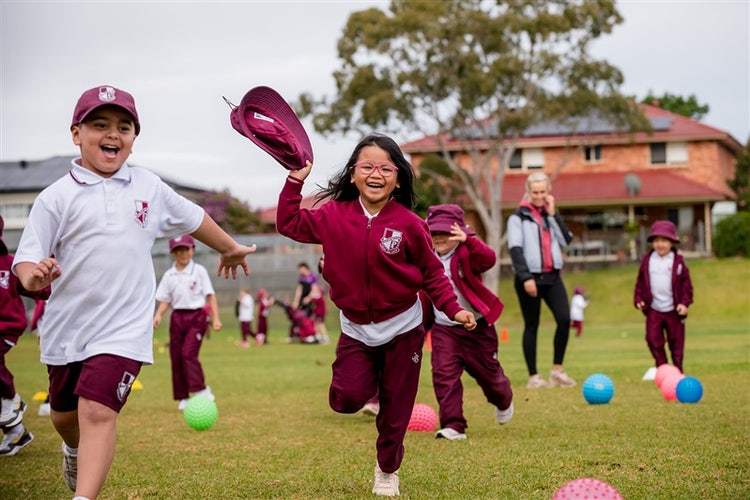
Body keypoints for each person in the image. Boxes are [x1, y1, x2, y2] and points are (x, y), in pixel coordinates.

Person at [12, 85, 256, 498]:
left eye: (124, 127)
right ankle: (73, 449)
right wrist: (33, 277)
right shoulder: (55, 197)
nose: (114, 134)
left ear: (133, 140)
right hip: (67, 329)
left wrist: (230, 247)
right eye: (101, 125)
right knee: (64, 416)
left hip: (124, 330)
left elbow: (194, 218)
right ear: (76, 133)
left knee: (97, 410)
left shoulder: (148, 187)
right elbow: (27, 260)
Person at [275, 133, 476, 497]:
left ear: (398, 178)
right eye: (367, 166)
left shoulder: (411, 224)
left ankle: (386, 470)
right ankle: (366, 382)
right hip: (355, 330)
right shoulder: (332, 215)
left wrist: (455, 308)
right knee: (347, 399)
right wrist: (294, 181)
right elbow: (288, 223)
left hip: (404, 328)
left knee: (396, 408)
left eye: (386, 168)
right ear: (353, 174)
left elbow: (433, 273)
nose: (376, 174)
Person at [424, 205, 514, 441]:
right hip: (444, 328)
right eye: (434, 233)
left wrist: (470, 241)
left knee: (489, 377)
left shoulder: (466, 253)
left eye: (446, 233)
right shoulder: (425, 257)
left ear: (459, 233)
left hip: (478, 328)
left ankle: (503, 399)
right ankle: (453, 425)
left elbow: (489, 259)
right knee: (444, 375)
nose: (440, 238)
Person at [507, 172, 576, 389]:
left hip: (553, 277)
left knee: (564, 319)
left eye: (543, 191)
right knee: (532, 325)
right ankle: (533, 377)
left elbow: (566, 240)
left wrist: (554, 215)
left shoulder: (550, 216)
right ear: (528, 192)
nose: (539, 195)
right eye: (535, 192)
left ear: (548, 192)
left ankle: (557, 371)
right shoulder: (517, 218)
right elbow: (515, 250)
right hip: (529, 278)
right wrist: (526, 277)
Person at [153, 235, 222, 409]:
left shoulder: (199, 271)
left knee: (188, 353)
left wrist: (216, 318)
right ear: (173, 253)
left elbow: (210, 295)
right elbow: (165, 299)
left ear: (193, 250)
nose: (182, 253)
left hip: (197, 317)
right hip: (177, 318)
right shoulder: (170, 275)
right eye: (178, 250)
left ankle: (201, 390)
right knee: (176, 356)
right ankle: (183, 396)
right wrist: (159, 314)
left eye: (185, 249)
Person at [0, 216, 50, 456]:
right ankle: (16, 431)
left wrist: (48, 285)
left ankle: (12, 398)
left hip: (6, 327)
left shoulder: (8, 264)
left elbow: (35, 287)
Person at [633, 220, 693, 372]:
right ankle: (664, 368)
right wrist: (638, 299)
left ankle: (678, 370)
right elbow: (640, 282)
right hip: (654, 309)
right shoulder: (647, 260)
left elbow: (687, 286)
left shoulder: (678, 261)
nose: (660, 244)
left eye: (664, 241)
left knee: (676, 343)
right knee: (653, 340)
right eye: (657, 240)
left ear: (672, 242)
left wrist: (684, 303)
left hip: (674, 310)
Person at [311, 256, 330, 344]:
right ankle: (318, 337)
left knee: (320, 324)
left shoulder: (318, 296)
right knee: (316, 324)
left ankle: (325, 337)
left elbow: (314, 300)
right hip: (318, 312)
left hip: (320, 312)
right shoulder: (317, 295)